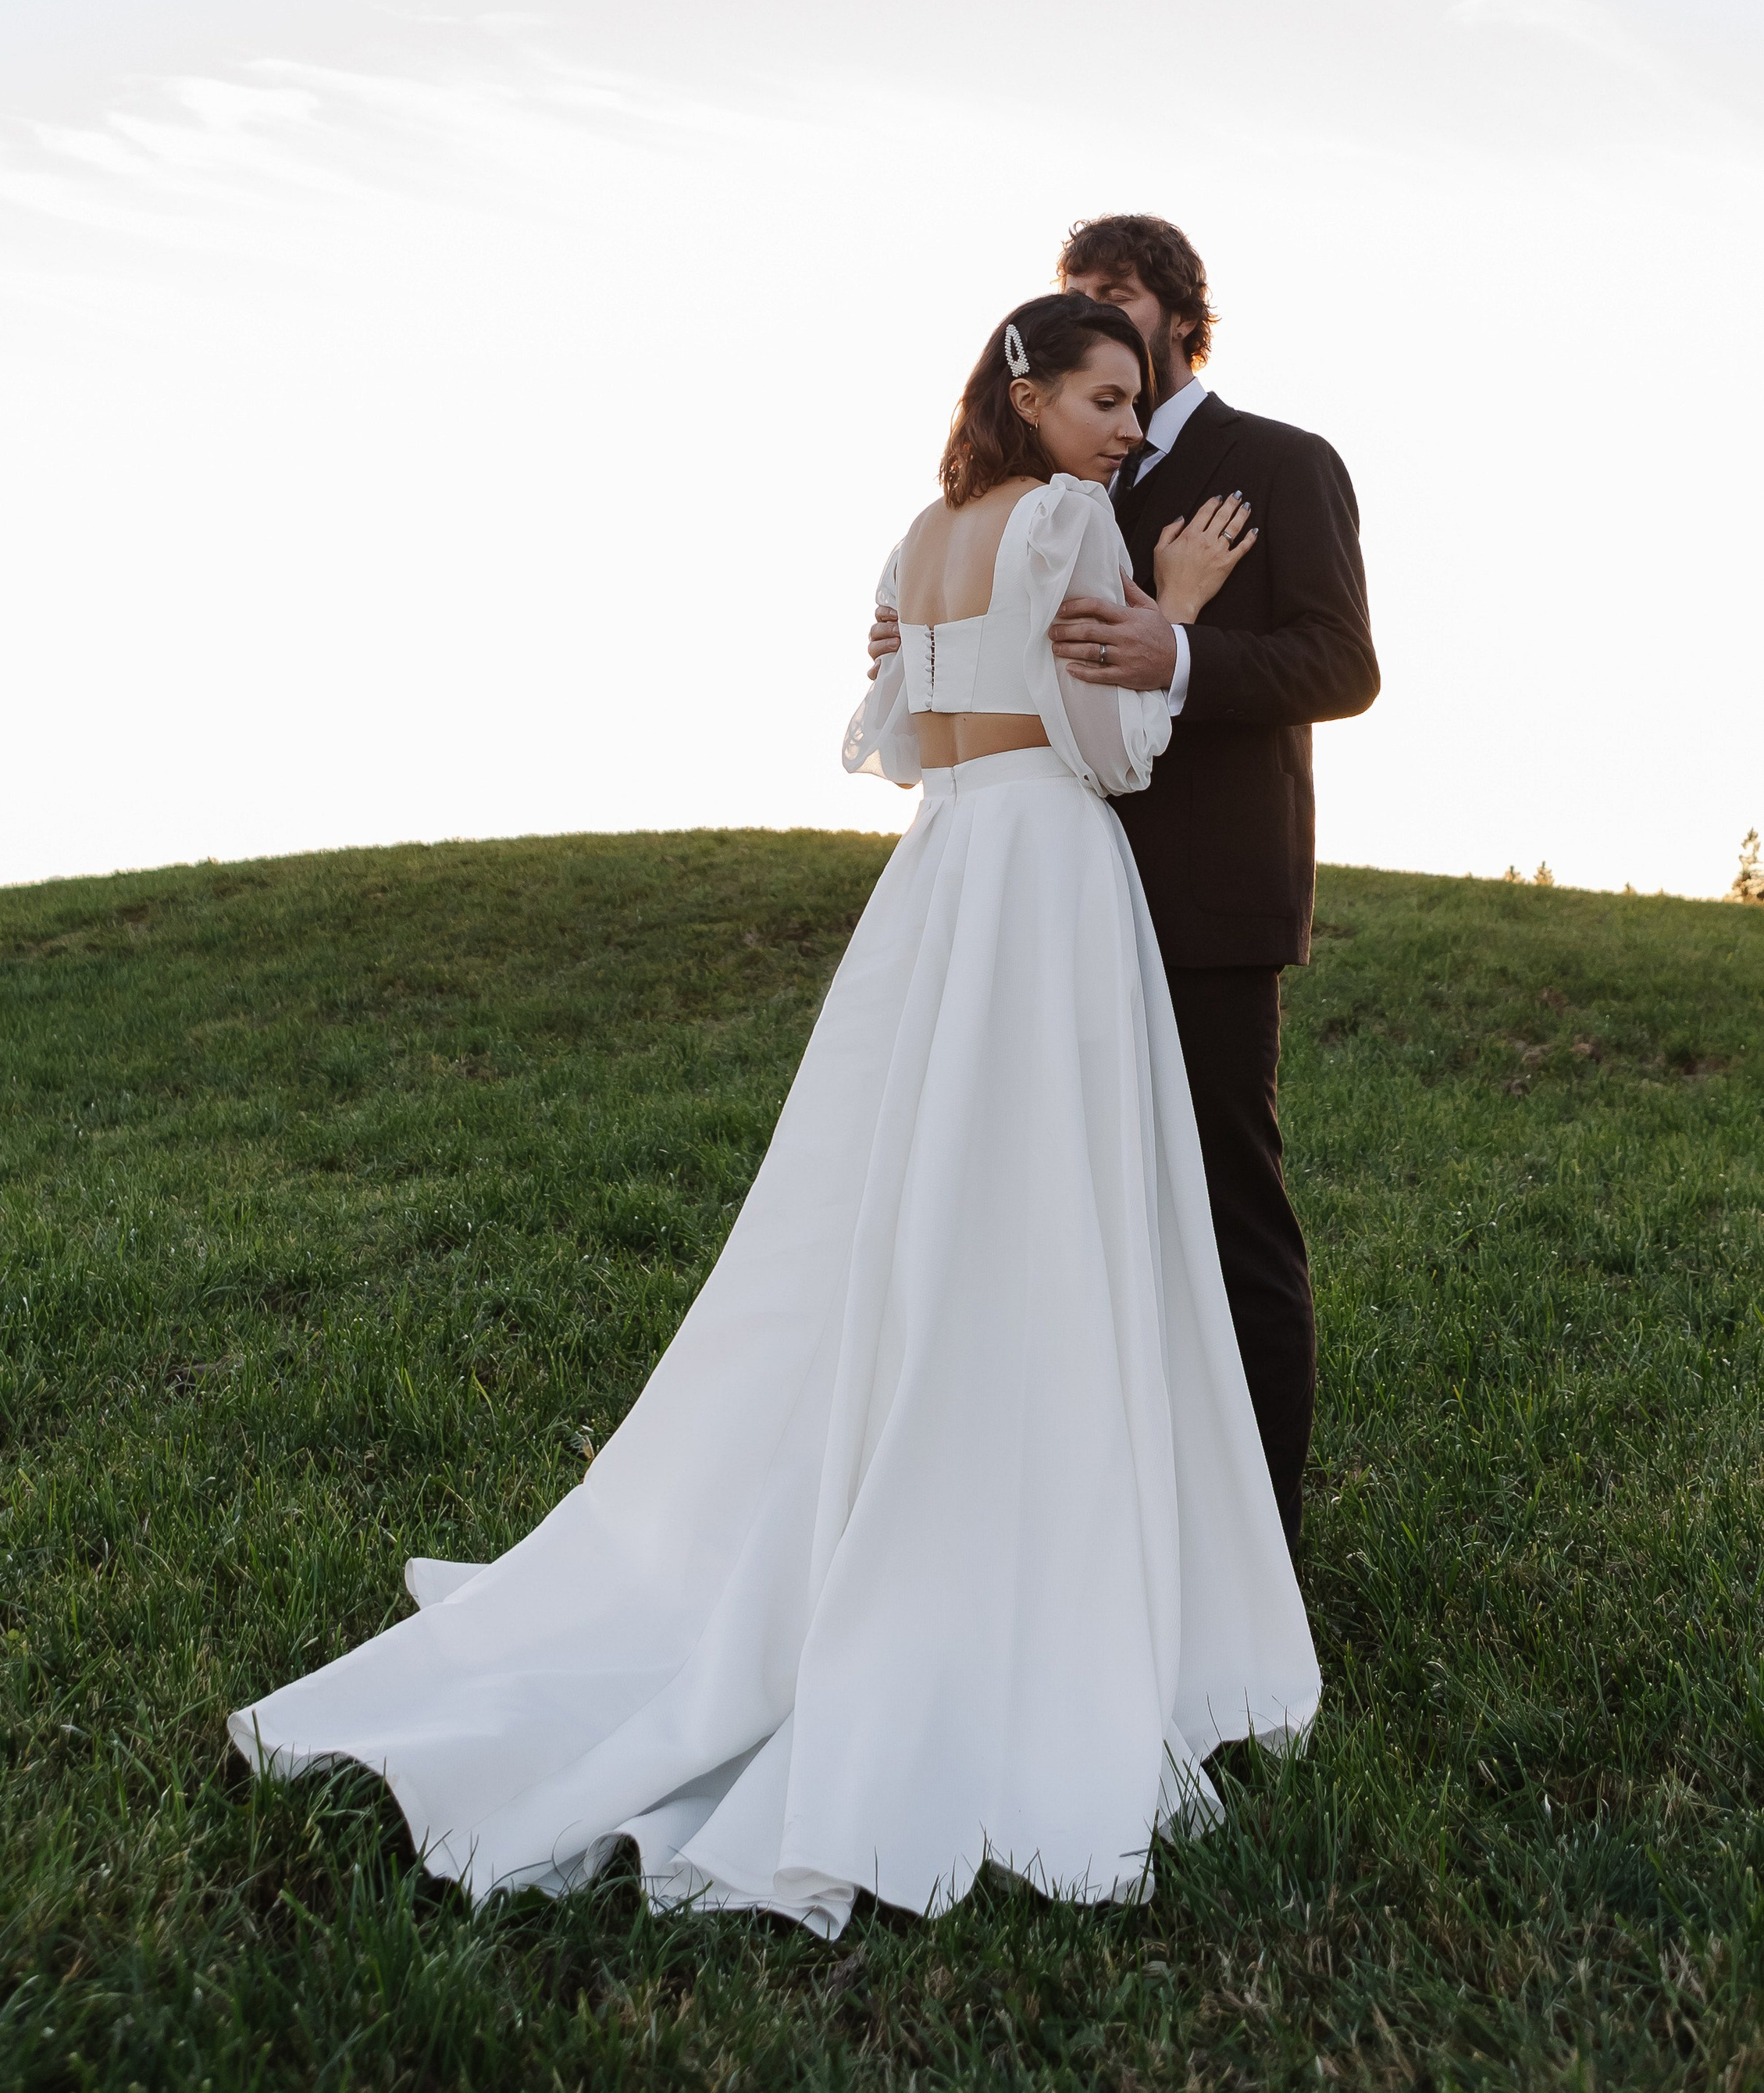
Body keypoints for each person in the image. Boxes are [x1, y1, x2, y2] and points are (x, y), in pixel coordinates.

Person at [230, 294, 1320, 1938]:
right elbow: (1112, 751)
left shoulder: (922, 532)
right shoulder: (1068, 523)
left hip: (945, 872)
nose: (1122, 429)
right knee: (1038, 1202)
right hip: (1043, 877)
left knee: (918, 1190)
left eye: (1135, 400)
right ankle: (1019, 1543)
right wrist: (1170, 608)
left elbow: (903, 743)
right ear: (1027, 394)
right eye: (1102, 398)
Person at [874, 218, 1378, 1552]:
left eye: (1115, 294)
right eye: (1076, 297)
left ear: (1180, 317)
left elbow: (1344, 665)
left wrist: (1179, 651)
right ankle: (1102, 1524)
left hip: (1202, 901)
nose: (1094, 314)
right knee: (1057, 1214)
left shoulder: (1282, 462)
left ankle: (1255, 1546)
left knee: (1224, 1218)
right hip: (1045, 899)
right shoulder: (1038, 486)